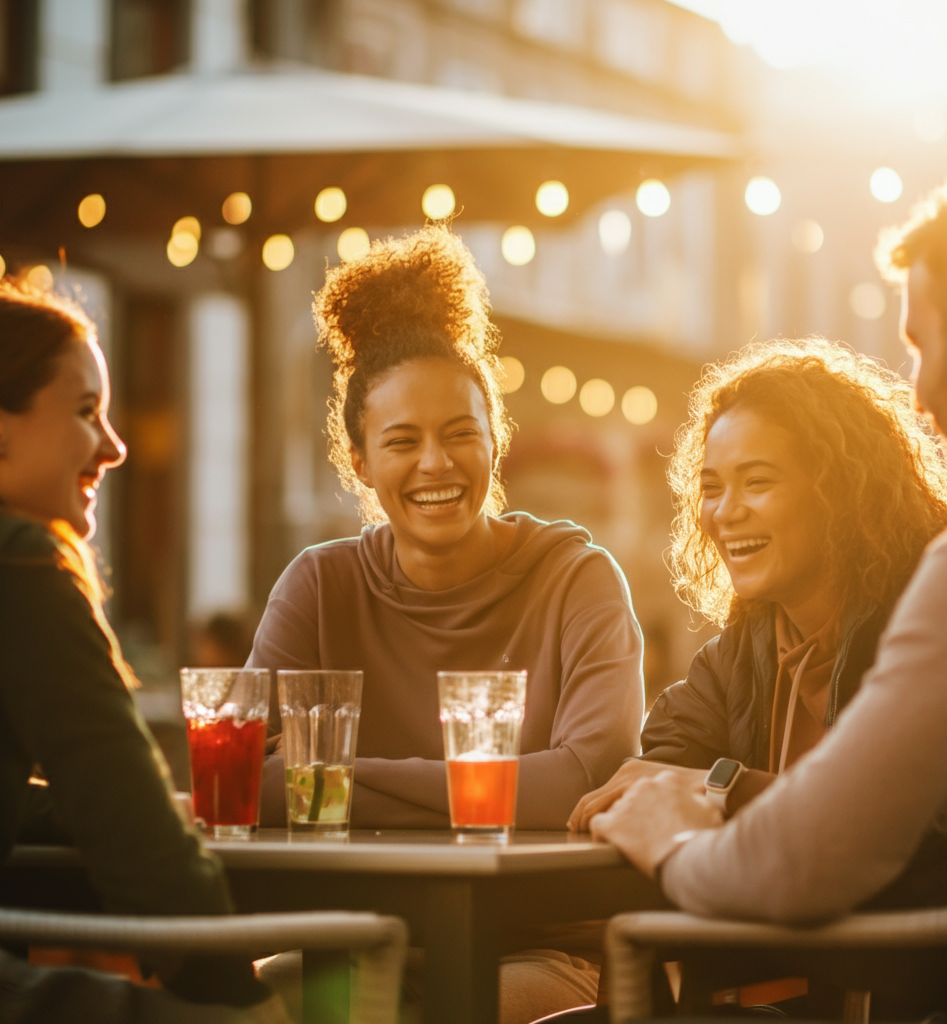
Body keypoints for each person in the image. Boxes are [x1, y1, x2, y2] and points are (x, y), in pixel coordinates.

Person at [247, 225, 644, 1022]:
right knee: (254, 1010)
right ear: (359, 459)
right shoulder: (318, 587)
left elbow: (586, 782)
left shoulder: (577, 579)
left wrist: (338, 780)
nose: (436, 463)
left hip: (546, 949)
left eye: (461, 433)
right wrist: (499, 788)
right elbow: (248, 788)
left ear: (495, 439)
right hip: (351, 939)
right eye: (402, 441)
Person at [591, 182, 947, 1018]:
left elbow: (852, 848)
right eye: (710, 489)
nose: (922, 388)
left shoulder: (917, 604)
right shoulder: (747, 644)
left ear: (839, 490)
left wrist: (696, 823)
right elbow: (663, 754)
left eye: (927, 342)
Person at [0, 283, 287, 1024]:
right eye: (87, 412)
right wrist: (245, 1006)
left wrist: (65, 812)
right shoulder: (10, 565)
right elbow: (143, 850)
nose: (116, 447)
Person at [569, 335, 947, 835]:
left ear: (840, 492)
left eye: (758, 482)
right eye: (711, 488)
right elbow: (650, 780)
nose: (725, 513)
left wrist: (728, 789)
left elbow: (912, 827)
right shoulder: (732, 662)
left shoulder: (922, 629)